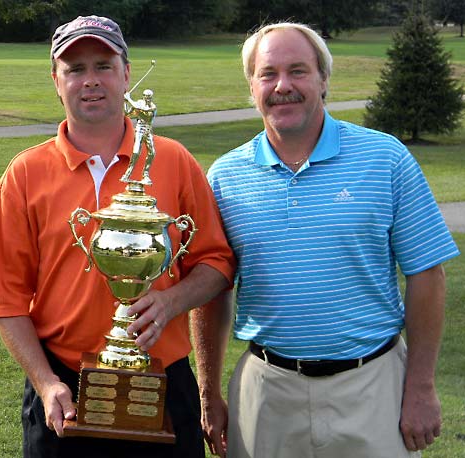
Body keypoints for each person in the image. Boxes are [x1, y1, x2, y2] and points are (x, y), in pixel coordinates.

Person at [191, 22, 460, 458]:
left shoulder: (386, 158)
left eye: (298, 71)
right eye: (268, 73)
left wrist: (421, 385)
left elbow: (427, 273)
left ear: (323, 79)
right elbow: (212, 288)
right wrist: (208, 393)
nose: (283, 86)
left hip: (372, 386)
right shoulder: (224, 177)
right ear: (251, 85)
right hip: (267, 392)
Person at [0, 15, 234, 458]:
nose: (91, 81)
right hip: (63, 390)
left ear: (127, 74)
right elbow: (6, 300)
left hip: (162, 382)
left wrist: (171, 301)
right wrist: (46, 384)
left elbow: (216, 262)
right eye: (75, 69)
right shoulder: (24, 174)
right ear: (56, 81)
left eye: (103, 65)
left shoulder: (173, 160)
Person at [122, 88, 157, 184]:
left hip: (148, 130)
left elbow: (143, 109)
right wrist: (125, 102)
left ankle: (145, 174)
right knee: (136, 151)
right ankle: (127, 174)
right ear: (144, 96)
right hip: (140, 129)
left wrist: (128, 98)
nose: (148, 99)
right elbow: (127, 113)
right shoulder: (138, 104)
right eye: (147, 97)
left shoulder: (152, 107)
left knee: (152, 153)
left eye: (150, 97)